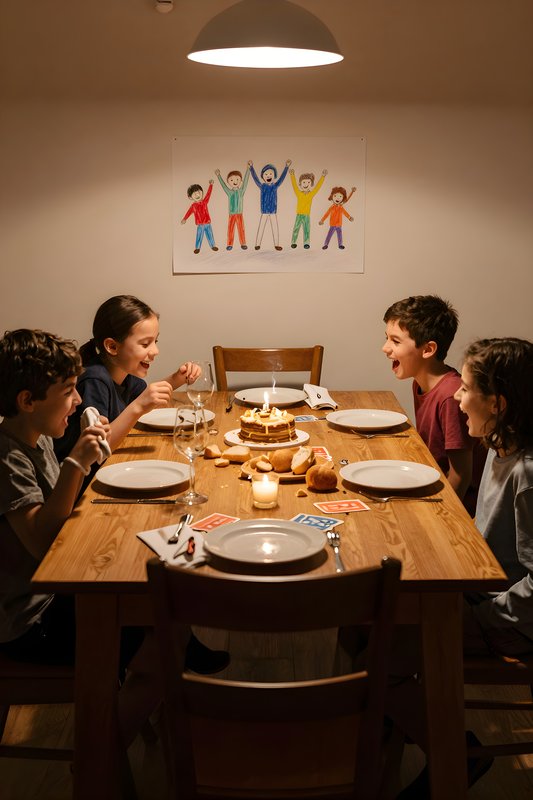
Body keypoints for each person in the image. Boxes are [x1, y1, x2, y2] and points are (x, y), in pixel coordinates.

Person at [390, 336, 533, 797]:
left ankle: (456, 754)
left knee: (385, 653)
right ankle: (385, 735)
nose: (455, 395)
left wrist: (484, 618)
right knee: (377, 620)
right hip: (481, 590)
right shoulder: (498, 444)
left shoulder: (527, 474)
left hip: (509, 619)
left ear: (499, 403)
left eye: (467, 387)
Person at [54, 294, 200, 464]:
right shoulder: (94, 380)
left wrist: (178, 378)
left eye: (155, 341)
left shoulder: (127, 378)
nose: (155, 351)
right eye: (145, 344)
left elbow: (146, 398)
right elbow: (97, 450)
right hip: (84, 482)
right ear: (112, 346)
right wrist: (138, 406)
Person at [382, 294, 486, 515]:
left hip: (453, 506)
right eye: (387, 338)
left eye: (395, 341)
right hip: (429, 486)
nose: (385, 348)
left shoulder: (450, 396)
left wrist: (445, 519)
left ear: (428, 349)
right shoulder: (419, 384)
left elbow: (461, 475)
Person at [249, 159, 291, 250]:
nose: (268, 176)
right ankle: (257, 244)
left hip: (272, 211)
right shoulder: (262, 186)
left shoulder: (275, 186)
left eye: (270, 174)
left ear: (274, 176)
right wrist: (251, 168)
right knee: (261, 227)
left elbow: (282, 178)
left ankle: (276, 244)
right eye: (266, 174)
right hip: (264, 211)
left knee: (275, 228)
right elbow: (255, 179)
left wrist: (286, 167)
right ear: (263, 177)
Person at [289, 168, 327, 249]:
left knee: (306, 229)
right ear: (300, 184)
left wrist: (323, 176)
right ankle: (293, 242)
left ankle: (306, 243)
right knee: (296, 228)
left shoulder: (311, 194)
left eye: (309, 182)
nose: (306, 184)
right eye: (304, 182)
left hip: (306, 215)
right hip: (299, 214)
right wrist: (292, 175)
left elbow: (317, 187)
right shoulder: (298, 193)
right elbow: (294, 186)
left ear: (311, 184)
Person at [215, 166, 250, 250]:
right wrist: (219, 176)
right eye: (231, 180)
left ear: (240, 181)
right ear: (228, 181)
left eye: (237, 179)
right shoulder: (229, 192)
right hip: (231, 214)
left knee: (241, 229)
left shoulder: (241, 191)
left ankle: (243, 243)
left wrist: (248, 169)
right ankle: (229, 244)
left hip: (239, 213)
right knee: (230, 229)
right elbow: (223, 186)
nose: (234, 182)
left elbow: (245, 182)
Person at [181, 180, 219, 254]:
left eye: (199, 192)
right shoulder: (193, 206)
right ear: (190, 197)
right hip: (200, 224)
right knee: (199, 236)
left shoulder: (204, 202)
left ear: (202, 192)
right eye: (195, 194)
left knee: (210, 235)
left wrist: (211, 185)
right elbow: (188, 212)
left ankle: (213, 245)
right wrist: (184, 219)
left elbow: (208, 194)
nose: (197, 194)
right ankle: (197, 248)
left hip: (207, 223)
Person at [318, 185, 355, 249]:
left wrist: (349, 217)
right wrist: (322, 220)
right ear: (332, 197)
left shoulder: (341, 207)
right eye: (335, 196)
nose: (337, 198)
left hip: (339, 224)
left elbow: (345, 212)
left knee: (339, 235)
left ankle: (340, 245)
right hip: (332, 224)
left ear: (342, 198)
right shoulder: (331, 208)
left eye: (340, 196)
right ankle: (325, 244)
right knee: (329, 235)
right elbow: (326, 214)